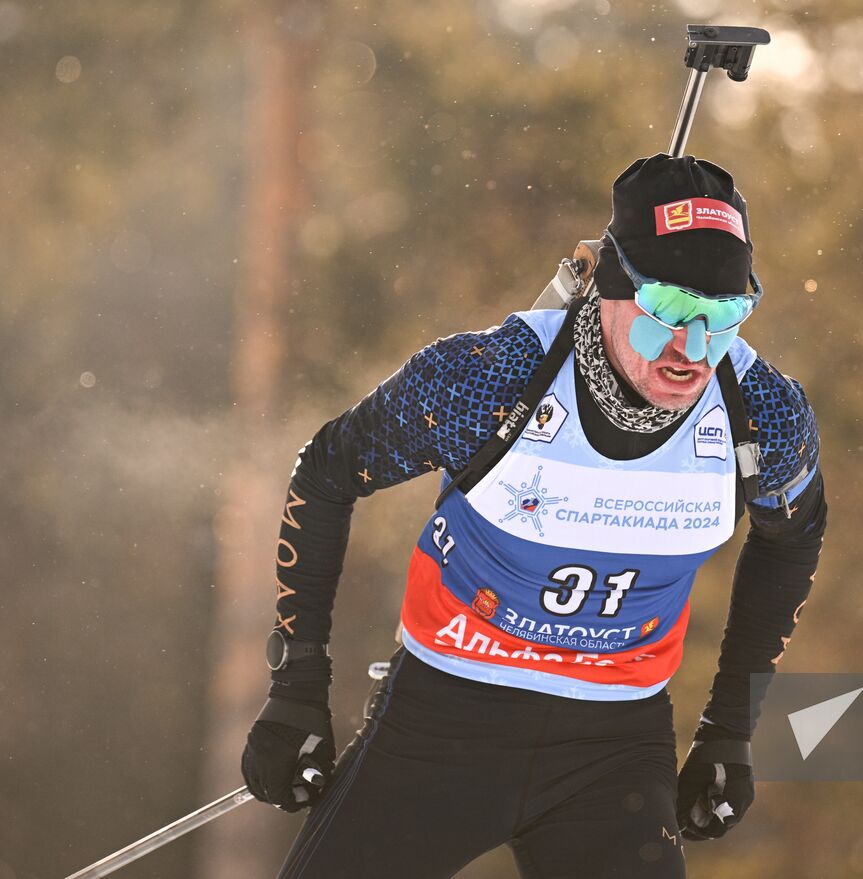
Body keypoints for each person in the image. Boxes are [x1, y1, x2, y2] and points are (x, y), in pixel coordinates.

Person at [240, 154, 827, 879]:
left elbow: (792, 538)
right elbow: (326, 472)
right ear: (612, 288)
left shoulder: (762, 414)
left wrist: (729, 728)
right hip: (440, 725)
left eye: (722, 318)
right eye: (668, 313)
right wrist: (297, 685)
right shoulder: (491, 379)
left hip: (613, 748)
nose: (691, 348)